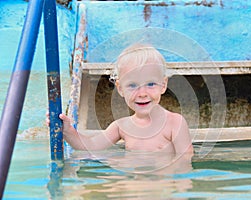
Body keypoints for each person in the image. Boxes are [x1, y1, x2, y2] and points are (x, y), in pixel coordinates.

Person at [50, 43, 194, 155]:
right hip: (131, 183)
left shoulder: (175, 123)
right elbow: (90, 147)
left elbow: (185, 162)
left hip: (163, 184)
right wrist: (68, 132)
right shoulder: (121, 126)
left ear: (163, 85)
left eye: (150, 84)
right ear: (120, 88)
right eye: (132, 85)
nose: (142, 93)